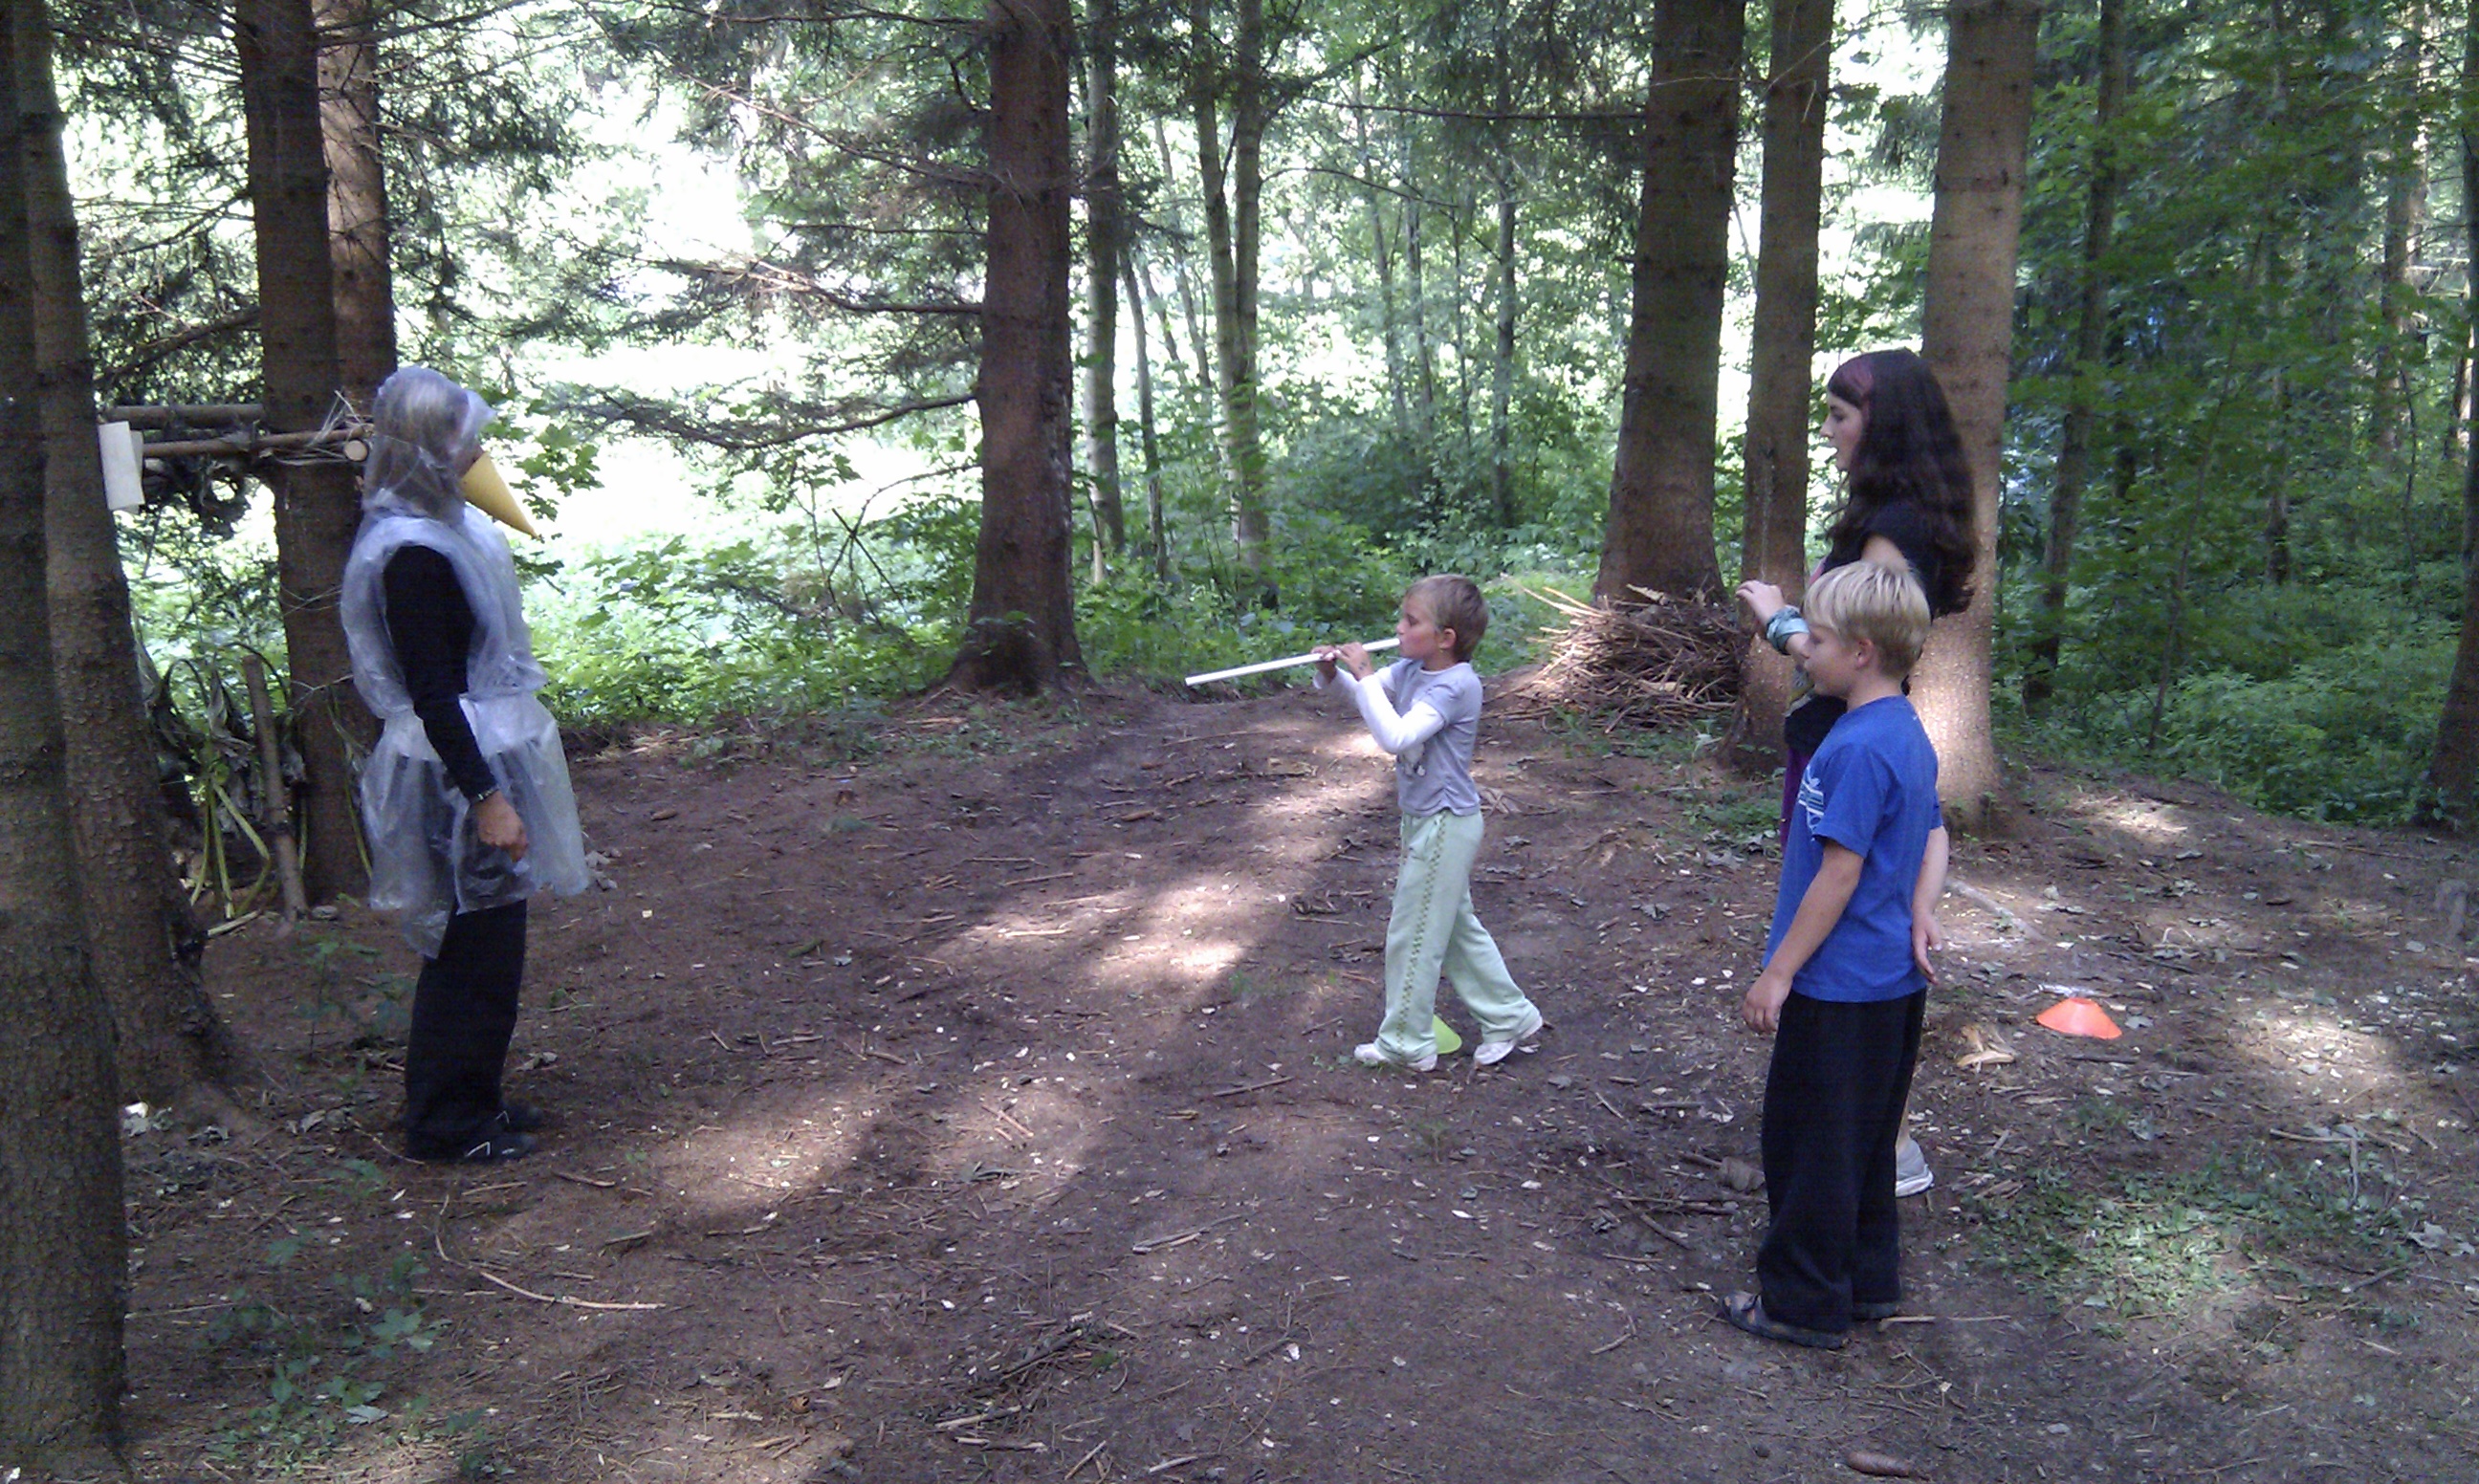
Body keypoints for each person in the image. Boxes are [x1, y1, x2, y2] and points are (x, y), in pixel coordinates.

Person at [1736, 346, 1976, 1200]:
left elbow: (1850, 648)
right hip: (1839, 737)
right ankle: (1860, 1138)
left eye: (1840, 416)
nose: (1830, 432)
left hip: (1841, 743)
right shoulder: (1896, 519)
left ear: (1882, 426)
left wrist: (1778, 623)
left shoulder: (1892, 535)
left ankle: (1876, 1147)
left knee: (1842, 908)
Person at [340, 366, 589, 1163]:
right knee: (467, 949)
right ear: (423, 447)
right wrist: (485, 795)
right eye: (458, 437)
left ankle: (474, 1098)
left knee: (493, 942)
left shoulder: (444, 527)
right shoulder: (410, 553)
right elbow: (434, 693)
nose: (475, 449)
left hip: (476, 758)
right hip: (452, 773)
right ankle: (447, 1123)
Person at [1722, 561, 1948, 1351]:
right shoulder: (1905, 730)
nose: (1804, 651)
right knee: (1865, 1138)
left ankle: (1801, 1300)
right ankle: (1868, 1278)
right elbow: (1932, 832)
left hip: (1839, 985)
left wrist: (1779, 971)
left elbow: (1839, 874)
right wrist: (1921, 908)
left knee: (1810, 1144)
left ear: (1859, 652)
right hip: (1891, 985)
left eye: (1814, 640)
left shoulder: (1857, 749)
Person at [1312, 576, 1545, 1071]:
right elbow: (1368, 701)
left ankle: (1406, 1041)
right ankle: (1510, 1016)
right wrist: (1335, 675)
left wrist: (1366, 674)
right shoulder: (1412, 669)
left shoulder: (1456, 685)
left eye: (1411, 620)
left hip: (1445, 823)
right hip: (1425, 819)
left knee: (1413, 930)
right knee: (1455, 929)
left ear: (1445, 638)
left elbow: (1396, 737)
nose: (1399, 628)